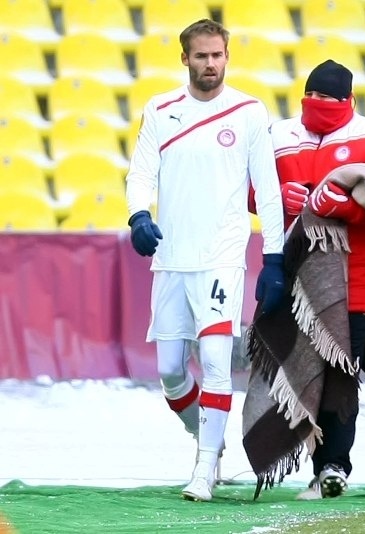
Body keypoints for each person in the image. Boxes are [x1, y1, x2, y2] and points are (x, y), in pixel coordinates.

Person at [124, 19, 285, 502]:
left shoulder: (249, 112)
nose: (209, 64)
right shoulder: (161, 109)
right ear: (185, 59)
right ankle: (205, 442)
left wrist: (273, 257)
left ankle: (204, 468)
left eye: (217, 55)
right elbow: (140, 172)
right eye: (201, 56)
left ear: (227, 57)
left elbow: (270, 191)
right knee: (171, 370)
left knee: (216, 360)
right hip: (172, 258)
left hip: (221, 258)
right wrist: (138, 216)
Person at [267, 59, 365, 499]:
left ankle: (332, 465)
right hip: (298, 274)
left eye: (329, 98)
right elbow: (251, 189)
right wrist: (271, 199)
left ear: (348, 100)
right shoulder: (279, 134)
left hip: (355, 274)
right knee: (299, 370)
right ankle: (297, 457)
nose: (319, 104)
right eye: (313, 96)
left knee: (341, 373)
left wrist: (339, 204)